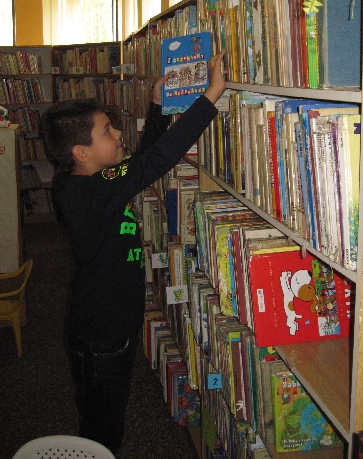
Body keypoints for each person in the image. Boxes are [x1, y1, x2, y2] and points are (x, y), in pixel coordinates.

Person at [42, 50, 226, 456]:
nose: (118, 134)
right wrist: (211, 95)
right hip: (100, 333)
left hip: (112, 322)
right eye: (107, 131)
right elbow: (156, 161)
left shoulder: (96, 181)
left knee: (108, 412)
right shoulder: (91, 192)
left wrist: (157, 108)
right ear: (81, 152)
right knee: (103, 422)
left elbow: (141, 161)